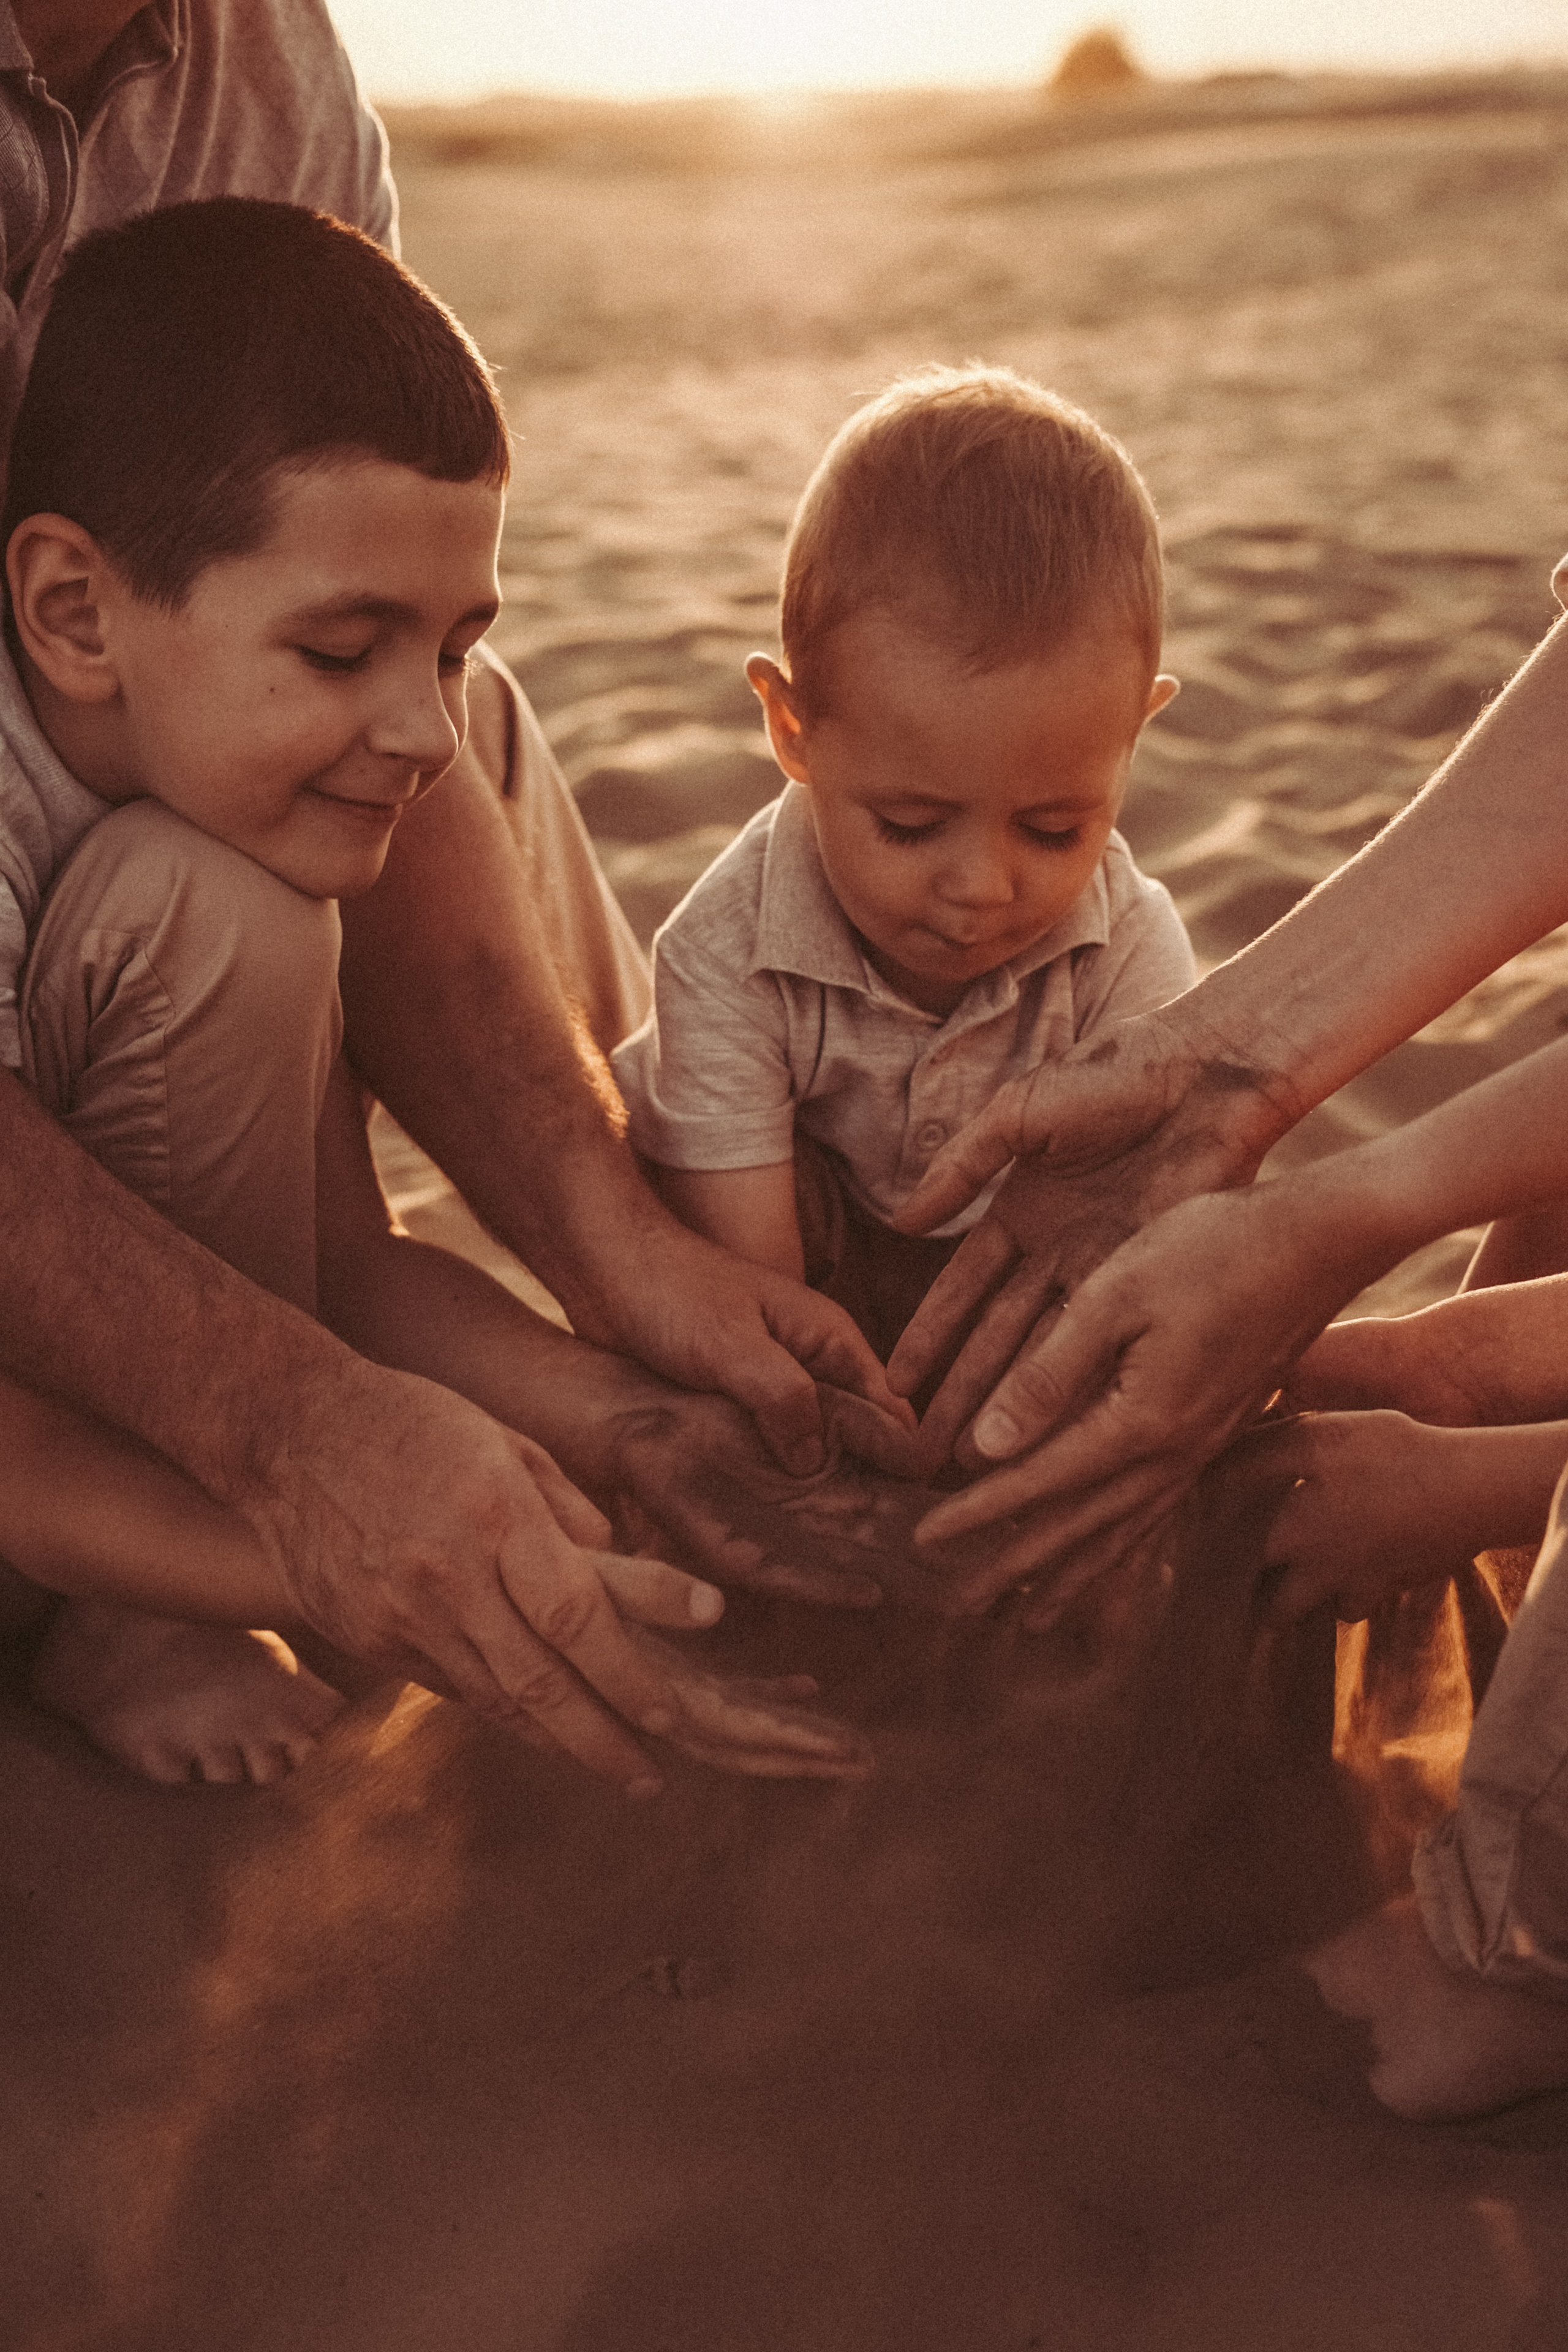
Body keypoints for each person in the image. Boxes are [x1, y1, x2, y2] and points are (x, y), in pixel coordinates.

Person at [0, 0, 913, 1777]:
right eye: (349, 646)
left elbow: (340, 1247)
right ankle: (142, 1611)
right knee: (219, 903)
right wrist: (317, 1515)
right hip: (58, 1471)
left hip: (146, 790)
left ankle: (752, 1344)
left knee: (412, 753)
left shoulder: (268, 66)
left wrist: (616, 1405)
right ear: (71, 613)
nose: (419, 725)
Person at [611, 368, 1193, 1362]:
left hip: (1021, 1288)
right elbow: (757, 1297)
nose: (982, 886)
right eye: (912, 825)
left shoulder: (1128, 947)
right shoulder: (724, 953)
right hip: (799, 1267)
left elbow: (1149, 1231)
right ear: (794, 729)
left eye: (1053, 829)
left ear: (1133, 740)